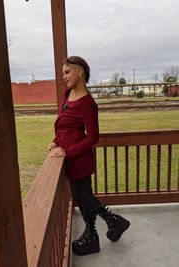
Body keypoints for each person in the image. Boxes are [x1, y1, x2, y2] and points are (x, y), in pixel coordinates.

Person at [48, 56, 130, 256]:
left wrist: (67, 150)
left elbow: (93, 137)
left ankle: (92, 237)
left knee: (84, 199)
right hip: (71, 160)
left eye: (67, 72)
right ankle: (114, 222)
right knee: (84, 198)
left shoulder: (88, 104)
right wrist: (56, 141)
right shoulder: (67, 95)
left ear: (80, 71)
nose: (64, 77)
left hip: (80, 161)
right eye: (63, 74)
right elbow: (64, 125)